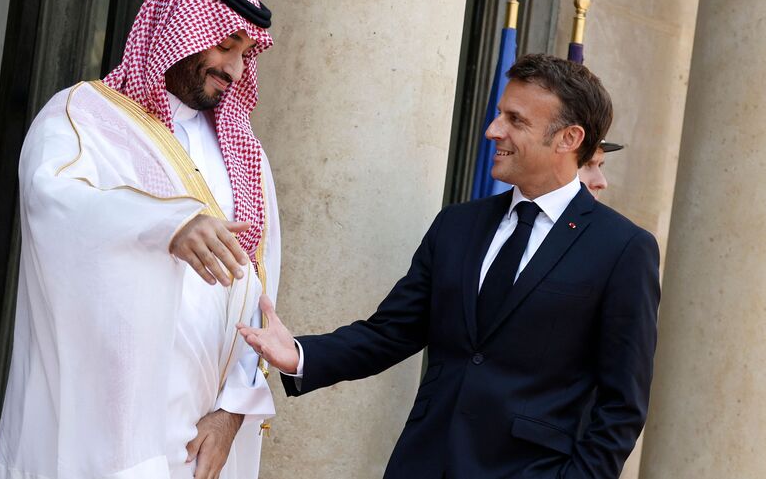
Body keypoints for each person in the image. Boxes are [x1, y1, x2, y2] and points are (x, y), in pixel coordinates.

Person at [240, 54, 660, 478]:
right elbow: (391, 332)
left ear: (568, 138)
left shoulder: (623, 249)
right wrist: (298, 354)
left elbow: (621, 408)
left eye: (515, 120)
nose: (493, 130)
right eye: (499, 114)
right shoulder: (458, 225)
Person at [0, 0, 281, 478]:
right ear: (178, 25)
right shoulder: (84, 118)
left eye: (245, 54)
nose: (233, 69)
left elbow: (260, 296)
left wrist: (233, 410)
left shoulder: (246, 157)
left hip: (199, 439)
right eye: (225, 44)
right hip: (103, 426)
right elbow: (52, 200)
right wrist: (165, 224)